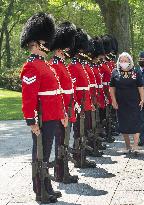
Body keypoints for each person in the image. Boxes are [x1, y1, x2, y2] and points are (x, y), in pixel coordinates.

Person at [20, 12, 66, 203]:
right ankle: (40, 190)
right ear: (38, 43)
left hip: (52, 116)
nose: (48, 44)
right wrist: (31, 120)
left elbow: (56, 93)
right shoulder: (31, 66)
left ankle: (47, 185)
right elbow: (29, 98)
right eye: (45, 41)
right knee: (40, 154)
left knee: (45, 153)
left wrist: (62, 113)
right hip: (42, 118)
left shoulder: (45, 65)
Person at [49, 21, 78, 183]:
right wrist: (63, 113)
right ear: (61, 48)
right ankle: (60, 173)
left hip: (68, 109)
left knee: (64, 143)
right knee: (61, 143)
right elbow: (57, 93)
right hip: (62, 111)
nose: (68, 50)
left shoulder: (62, 65)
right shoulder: (54, 65)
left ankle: (63, 171)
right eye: (66, 48)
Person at [67, 28, 96, 168]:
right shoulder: (73, 66)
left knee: (84, 131)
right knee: (79, 132)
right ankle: (78, 158)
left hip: (86, 103)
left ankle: (82, 156)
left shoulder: (80, 65)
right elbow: (73, 88)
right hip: (79, 105)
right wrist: (78, 106)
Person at [110, 52, 144, 154]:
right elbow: (112, 88)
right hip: (121, 103)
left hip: (134, 102)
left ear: (130, 61)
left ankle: (135, 146)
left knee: (135, 123)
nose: (123, 62)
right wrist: (113, 101)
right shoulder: (115, 72)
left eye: (126, 61)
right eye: (121, 61)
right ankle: (127, 145)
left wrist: (142, 99)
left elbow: (140, 86)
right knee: (123, 124)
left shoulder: (136, 72)